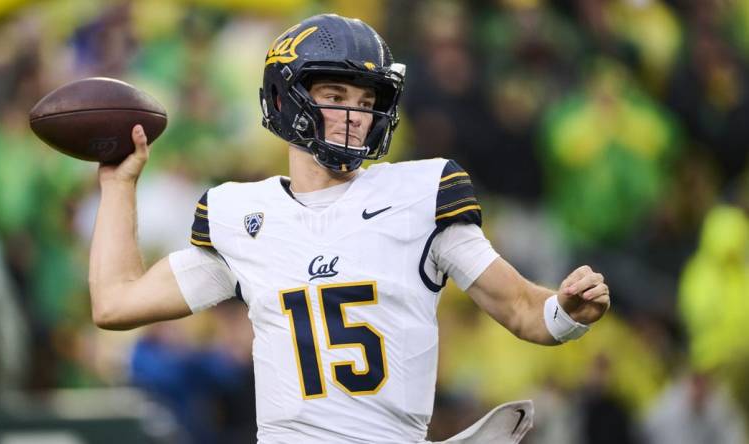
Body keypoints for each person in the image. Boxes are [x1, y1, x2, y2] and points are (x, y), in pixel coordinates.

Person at [88, 14, 610, 443]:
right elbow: (115, 303)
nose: (353, 115)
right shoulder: (242, 216)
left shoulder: (421, 195)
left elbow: (523, 310)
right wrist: (118, 185)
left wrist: (565, 312)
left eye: (366, 102)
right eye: (335, 94)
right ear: (284, 99)